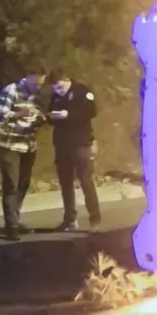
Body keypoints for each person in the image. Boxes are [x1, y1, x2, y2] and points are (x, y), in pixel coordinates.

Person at [0, 68, 47, 240]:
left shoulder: (37, 96)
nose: (38, 87)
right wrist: (20, 114)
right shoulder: (11, 91)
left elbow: (39, 114)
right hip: (10, 145)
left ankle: (15, 218)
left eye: (41, 84)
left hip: (29, 146)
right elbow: (0, 115)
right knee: (11, 184)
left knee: (23, 184)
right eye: (36, 83)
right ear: (28, 77)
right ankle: (11, 226)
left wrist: (41, 118)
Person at [47, 71, 101, 231]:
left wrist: (68, 115)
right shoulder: (56, 97)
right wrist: (52, 117)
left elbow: (91, 112)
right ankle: (70, 219)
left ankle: (95, 218)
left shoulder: (81, 91)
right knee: (65, 183)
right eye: (55, 88)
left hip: (81, 143)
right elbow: (50, 113)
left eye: (60, 86)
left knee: (86, 181)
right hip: (62, 145)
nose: (58, 90)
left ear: (66, 80)